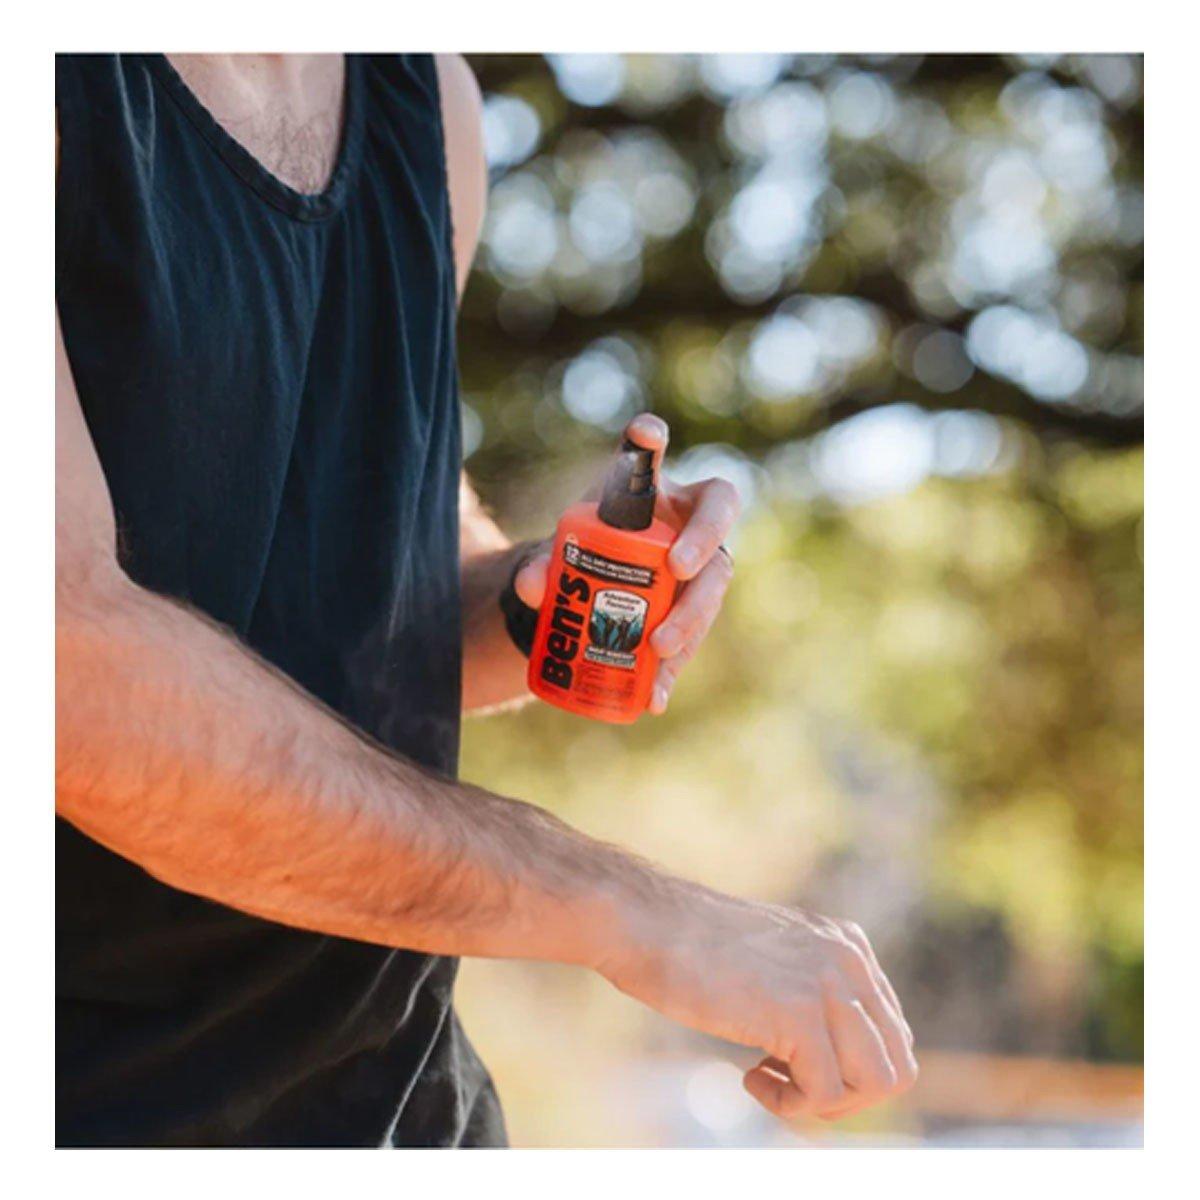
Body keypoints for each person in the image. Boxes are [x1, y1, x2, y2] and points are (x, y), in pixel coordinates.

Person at [55, 52, 917, 1147]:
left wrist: (548, 600)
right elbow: (69, 680)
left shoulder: (433, 105)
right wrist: (632, 911)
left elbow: (370, 612)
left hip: (411, 1114)